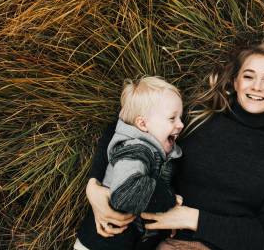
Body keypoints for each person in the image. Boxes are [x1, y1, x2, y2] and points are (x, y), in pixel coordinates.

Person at [83, 43, 264, 250]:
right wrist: (94, 187)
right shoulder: (197, 121)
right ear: (235, 82)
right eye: (248, 76)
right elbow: (124, 128)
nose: (256, 86)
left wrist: (191, 218)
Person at [75, 77, 185, 250]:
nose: (181, 124)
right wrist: (169, 200)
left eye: (180, 117)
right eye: (172, 118)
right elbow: (127, 190)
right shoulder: (136, 148)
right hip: (100, 244)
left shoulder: (159, 150)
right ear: (142, 123)